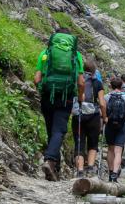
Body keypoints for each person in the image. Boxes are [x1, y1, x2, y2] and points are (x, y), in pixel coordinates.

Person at [34, 28, 85, 182]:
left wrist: (43, 89)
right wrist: (80, 96)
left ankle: (54, 168)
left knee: (51, 130)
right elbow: (81, 82)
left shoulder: (45, 53)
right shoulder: (76, 55)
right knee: (59, 130)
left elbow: (37, 79)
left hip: (47, 96)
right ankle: (50, 160)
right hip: (66, 98)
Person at [72, 60, 107, 178]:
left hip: (78, 114)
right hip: (93, 116)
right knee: (93, 143)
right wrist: (105, 117)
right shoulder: (97, 83)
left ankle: (80, 171)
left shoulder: (77, 80)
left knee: (79, 142)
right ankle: (91, 168)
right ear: (94, 71)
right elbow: (102, 103)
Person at [104, 77, 125, 182]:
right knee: (118, 151)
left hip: (109, 125)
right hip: (122, 126)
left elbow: (102, 113)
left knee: (110, 149)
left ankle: (110, 172)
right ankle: (114, 175)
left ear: (111, 86)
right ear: (121, 86)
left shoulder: (107, 97)